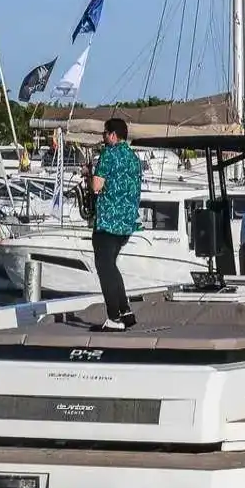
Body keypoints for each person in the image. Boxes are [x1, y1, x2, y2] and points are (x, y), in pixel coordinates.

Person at [89, 117, 142, 329]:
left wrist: (89, 175)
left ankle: (114, 317)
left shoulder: (109, 154)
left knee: (104, 267)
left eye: (104, 133)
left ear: (112, 135)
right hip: (126, 223)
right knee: (111, 265)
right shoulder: (133, 157)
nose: (103, 137)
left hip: (108, 221)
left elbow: (96, 186)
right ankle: (125, 311)